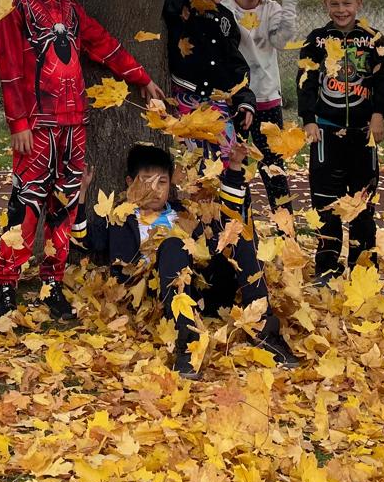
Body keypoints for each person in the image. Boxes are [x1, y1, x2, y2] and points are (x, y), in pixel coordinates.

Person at [0, 0, 163, 321]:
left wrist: (141, 77)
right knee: (27, 204)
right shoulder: (11, 5)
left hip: (74, 125)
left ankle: (52, 283)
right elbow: (9, 67)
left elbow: (104, 45)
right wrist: (18, 123)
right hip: (36, 127)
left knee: (64, 206)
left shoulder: (70, 9)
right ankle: (5, 283)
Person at [79, 143, 299, 377]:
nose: (154, 189)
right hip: (157, 297)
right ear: (129, 182)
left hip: (203, 288)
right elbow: (82, 238)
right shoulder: (120, 219)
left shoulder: (185, 212)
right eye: (146, 181)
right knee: (173, 244)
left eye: (161, 182)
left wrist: (235, 167)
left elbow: (225, 223)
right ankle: (186, 341)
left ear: (170, 185)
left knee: (239, 235)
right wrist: (81, 193)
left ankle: (264, 329)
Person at [297, 0, 384, 281]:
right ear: (325, 4)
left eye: (347, 3)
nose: (341, 9)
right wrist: (308, 119)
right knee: (327, 204)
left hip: (363, 133)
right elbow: (305, 80)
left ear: (359, 3)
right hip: (326, 130)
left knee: (362, 204)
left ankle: (364, 270)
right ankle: (326, 268)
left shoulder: (375, 39)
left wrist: (378, 114)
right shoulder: (316, 39)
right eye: (335, 3)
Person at [224, 0, 305, 212]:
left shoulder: (271, 9)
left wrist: (289, 2)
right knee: (234, 162)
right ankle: (239, 222)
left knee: (272, 165)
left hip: (265, 97)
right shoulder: (225, 8)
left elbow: (281, 41)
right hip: (234, 99)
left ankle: (284, 225)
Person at [162, 0, 256, 168]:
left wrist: (244, 98)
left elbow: (234, 63)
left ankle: (233, 191)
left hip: (217, 103)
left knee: (229, 161)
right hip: (184, 98)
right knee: (192, 166)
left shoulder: (226, 18)